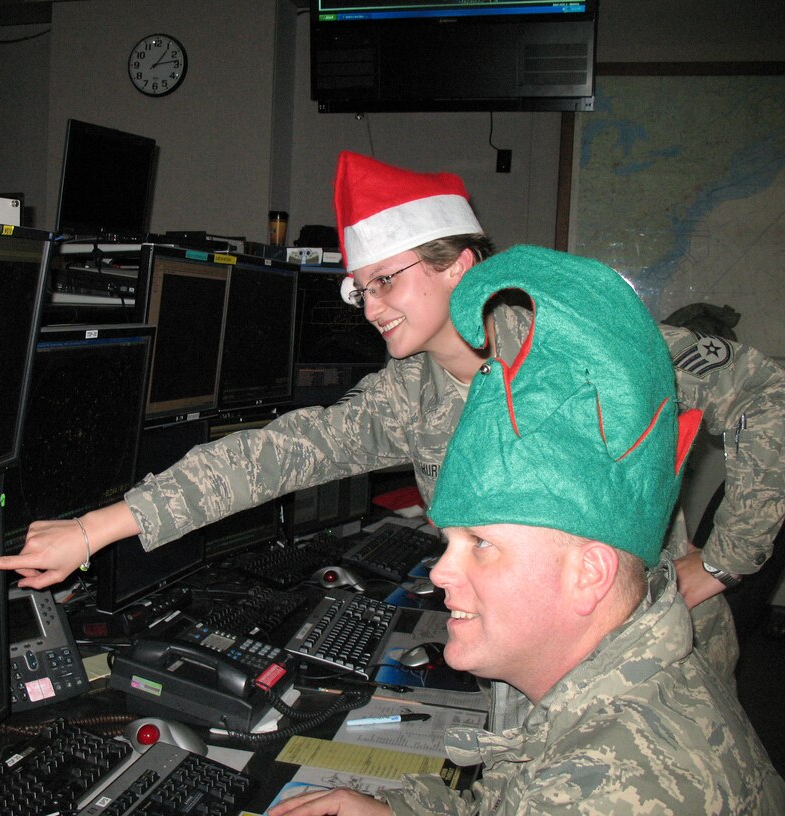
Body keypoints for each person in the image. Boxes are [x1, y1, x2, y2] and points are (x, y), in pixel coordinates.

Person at [0, 151, 785, 680]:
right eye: (359, 288)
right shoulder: (410, 396)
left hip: (645, 662)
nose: (368, 307)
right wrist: (93, 530)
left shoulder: (580, 340)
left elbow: (770, 396)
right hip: (531, 665)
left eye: (387, 281)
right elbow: (275, 454)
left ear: (461, 268)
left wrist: (722, 564)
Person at [267, 244, 785, 815]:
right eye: (452, 541)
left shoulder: (615, 789)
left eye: (480, 544)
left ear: (589, 571)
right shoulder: (585, 702)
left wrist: (724, 560)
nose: (438, 572)